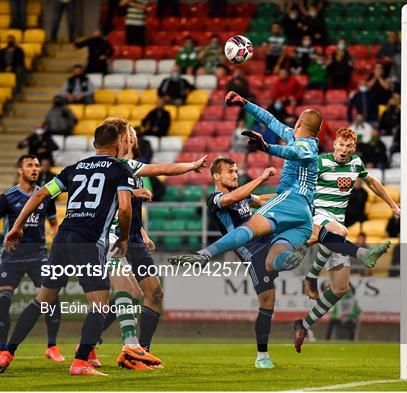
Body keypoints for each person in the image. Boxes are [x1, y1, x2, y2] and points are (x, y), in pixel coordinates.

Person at [0, 123, 135, 376]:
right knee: (100, 305)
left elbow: (41, 196)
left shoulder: (74, 168)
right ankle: (81, 361)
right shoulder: (120, 168)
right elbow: (125, 208)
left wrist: (16, 226)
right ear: (118, 145)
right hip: (89, 241)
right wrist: (125, 238)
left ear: (94, 144)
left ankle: (7, 353)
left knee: (42, 299)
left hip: (62, 239)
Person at [96, 118, 207, 370]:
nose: (132, 136)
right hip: (115, 238)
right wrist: (191, 166)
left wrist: (143, 232)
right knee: (128, 293)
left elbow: (159, 174)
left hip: (134, 238)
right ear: (120, 138)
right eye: (128, 133)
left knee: (154, 293)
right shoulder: (112, 166)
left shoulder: (132, 167)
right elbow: (110, 201)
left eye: (132, 133)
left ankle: (141, 350)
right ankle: (99, 341)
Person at [169, 90, 321, 273]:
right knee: (272, 262)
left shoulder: (307, 145)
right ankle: (290, 257)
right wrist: (245, 103)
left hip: (292, 199)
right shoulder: (295, 138)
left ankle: (205, 255)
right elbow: (271, 120)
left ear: (300, 122)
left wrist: (268, 148)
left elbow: (295, 153)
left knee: (249, 226)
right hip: (304, 215)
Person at [293, 127, 398, 352]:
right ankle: (353, 257)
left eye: (348, 146)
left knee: (340, 288)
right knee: (339, 232)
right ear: (334, 145)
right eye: (340, 144)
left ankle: (303, 324)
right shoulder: (319, 163)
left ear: (354, 148)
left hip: (337, 228)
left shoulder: (356, 164)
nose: (344, 149)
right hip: (318, 218)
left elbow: (374, 183)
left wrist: (393, 205)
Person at [206, 157, 279, 367]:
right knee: (267, 301)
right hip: (251, 251)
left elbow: (261, 200)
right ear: (216, 176)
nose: (236, 175)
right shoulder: (215, 199)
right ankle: (262, 356)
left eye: (236, 171)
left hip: (266, 241)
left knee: (302, 234)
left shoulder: (243, 197)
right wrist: (262, 177)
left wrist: (290, 196)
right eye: (230, 171)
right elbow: (236, 197)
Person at [0, 155, 63, 362]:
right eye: (30, 165)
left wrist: (56, 237)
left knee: (52, 297)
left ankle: (52, 346)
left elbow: (53, 223)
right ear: (20, 170)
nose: (35, 169)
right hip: (13, 255)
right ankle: (2, 349)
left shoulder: (45, 196)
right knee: (3, 301)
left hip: (38, 255)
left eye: (37, 165)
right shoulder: (8, 197)